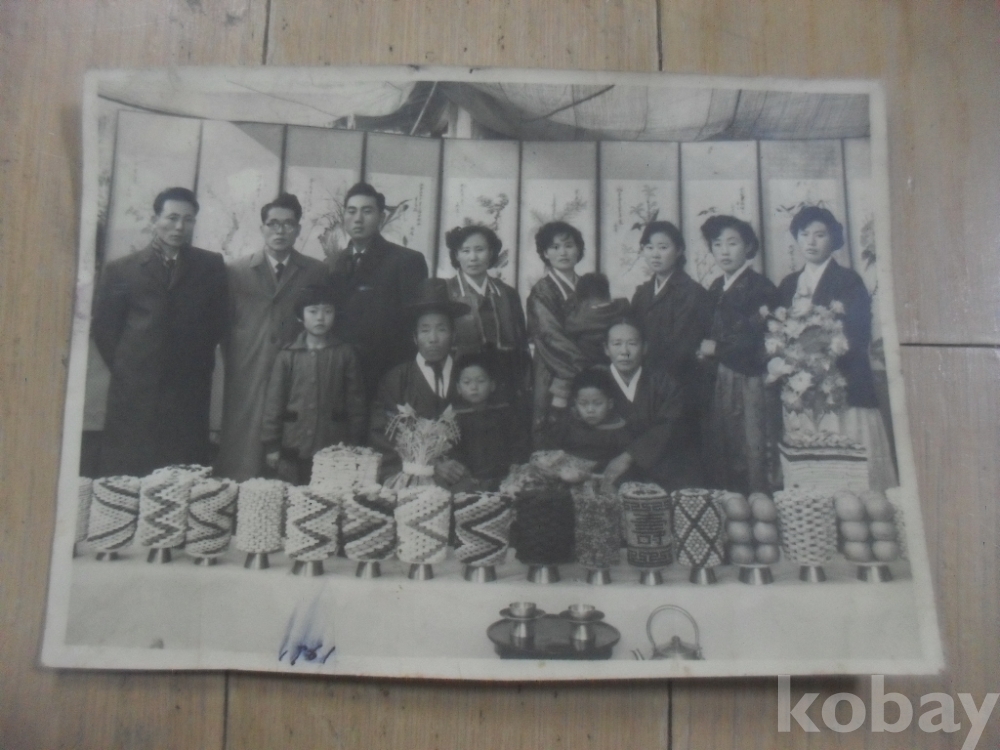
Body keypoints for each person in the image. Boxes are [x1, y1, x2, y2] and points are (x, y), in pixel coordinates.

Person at [91, 187, 228, 477]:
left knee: (181, 475)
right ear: (155, 220)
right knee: (129, 473)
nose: (179, 227)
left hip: (187, 391)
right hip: (135, 392)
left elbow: (218, 322)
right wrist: (130, 368)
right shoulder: (122, 270)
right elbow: (105, 329)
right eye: (172, 218)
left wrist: (192, 364)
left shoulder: (210, 266)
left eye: (188, 220)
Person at [776, 206, 897, 490]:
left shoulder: (848, 281)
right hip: (801, 389)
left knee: (850, 473)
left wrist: (819, 356)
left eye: (820, 235)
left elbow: (857, 334)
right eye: (804, 234)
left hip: (843, 383)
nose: (811, 241)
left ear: (833, 239)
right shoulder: (788, 285)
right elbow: (777, 333)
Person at [215, 193, 331, 481]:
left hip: (298, 377)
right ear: (262, 228)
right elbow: (224, 329)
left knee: (292, 453)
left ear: (298, 229)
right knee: (244, 454)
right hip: (248, 373)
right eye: (273, 224)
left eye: (288, 224)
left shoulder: (316, 271)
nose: (280, 231)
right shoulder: (236, 271)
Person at [696, 215, 780, 494]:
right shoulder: (715, 287)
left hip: (750, 380)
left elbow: (763, 341)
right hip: (717, 380)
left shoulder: (761, 287)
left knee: (752, 447)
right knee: (722, 449)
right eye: (717, 244)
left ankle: (758, 506)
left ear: (748, 246)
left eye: (732, 243)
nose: (724, 251)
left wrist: (717, 349)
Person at [328, 182, 429, 400]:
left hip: (388, 379)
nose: (358, 219)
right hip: (341, 379)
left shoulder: (406, 261)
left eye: (367, 211)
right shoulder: (333, 264)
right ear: (344, 216)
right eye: (351, 211)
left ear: (381, 218)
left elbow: (413, 326)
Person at [259, 284, 366, 485]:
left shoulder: (345, 354)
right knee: (293, 493)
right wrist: (271, 445)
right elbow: (274, 404)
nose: (320, 318)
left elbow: (356, 403)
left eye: (328, 311)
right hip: (293, 444)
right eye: (313, 311)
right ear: (301, 316)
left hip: (333, 446)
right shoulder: (287, 356)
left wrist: (355, 443)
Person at [368, 278, 471, 484]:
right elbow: (383, 438)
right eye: (425, 330)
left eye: (441, 329)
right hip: (412, 485)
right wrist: (429, 466)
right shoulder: (396, 380)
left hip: (464, 482)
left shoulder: (468, 377)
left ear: (453, 335)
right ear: (414, 337)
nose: (433, 338)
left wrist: (457, 468)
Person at [630, 220, 711, 474]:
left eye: (663, 247)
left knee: (677, 464)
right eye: (649, 247)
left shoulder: (692, 293)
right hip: (647, 385)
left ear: (679, 251)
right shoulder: (642, 293)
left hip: (680, 386)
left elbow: (682, 346)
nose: (655, 254)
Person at [599, 316, 703, 491]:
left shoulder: (664, 383)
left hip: (658, 467)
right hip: (608, 465)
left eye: (632, 344)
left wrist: (630, 456)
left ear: (645, 348)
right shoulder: (595, 381)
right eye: (617, 344)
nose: (624, 352)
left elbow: (671, 424)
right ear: (606, 349)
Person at [443, 224, 531, 406]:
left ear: (491, 253)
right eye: (465, 251)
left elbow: (522, 347)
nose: (473, 257)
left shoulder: (507, 294)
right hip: (458, 384)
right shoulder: (445, 292)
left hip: (505, 385)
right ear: (456, 255)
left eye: (479, 250)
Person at [525, 221, 590, 441]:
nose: (563, 252)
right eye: (555, 247)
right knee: (552, 429)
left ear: (578, 250)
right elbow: (549, 335)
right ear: (545, 253)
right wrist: (583, 365)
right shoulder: (541, 291)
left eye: (569, 246)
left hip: (588, 365)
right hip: (553, 367)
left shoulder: (589, 287)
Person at [449, 352, 531, 490]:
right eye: (467, 382)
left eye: (481, 381)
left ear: (492, 385)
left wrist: (514, 466)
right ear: (458, 388)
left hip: (505, 479)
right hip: (468, 482)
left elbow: (519, 443)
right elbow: (453, 452)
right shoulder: (454, 418)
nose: (474, 387)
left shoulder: (505, 413)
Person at [539, 368, 631, 472]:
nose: (590, 410)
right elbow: (551, 446)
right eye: (583, 404)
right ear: (576, 403)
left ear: (610, 404)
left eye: (597, 403)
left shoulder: (618, 432)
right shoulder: (569, 425)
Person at [564, 272, 630, 367]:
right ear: (608, 293)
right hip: (621, 365)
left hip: (591, 369)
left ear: (582, 300)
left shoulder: (577, 321)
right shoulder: (624, 309)